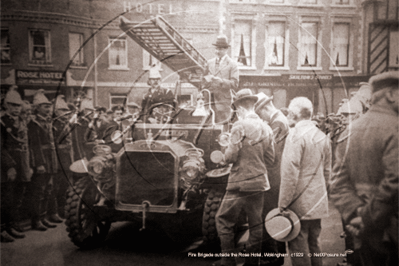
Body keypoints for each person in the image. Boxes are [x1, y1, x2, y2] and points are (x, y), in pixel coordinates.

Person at [330, 71, 398, 266]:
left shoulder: (350, 131)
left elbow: (337, 182)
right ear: (391, 95)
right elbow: (395, 182)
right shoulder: (395, 128)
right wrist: (367, 218)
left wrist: (356, 216)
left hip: (363, 234)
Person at [215, 89, 275, 266]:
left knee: (223, 220)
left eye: (236, 110)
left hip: (239, 184)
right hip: (259, 183)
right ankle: (252, 263)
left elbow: (231, 156)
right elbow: (271, 159)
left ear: (240, 108)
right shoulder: (267, 127)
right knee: (256, 225)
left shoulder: (239, 126)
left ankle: (228, 261)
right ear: (252, 106)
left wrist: (223, 157)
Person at [279, 97, 331, 266]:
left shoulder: (295, 136)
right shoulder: (322, 136)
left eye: (288, 112)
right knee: (314, 243)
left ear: (294, 114)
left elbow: (289, 174)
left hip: (298, 203)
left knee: (298, 247)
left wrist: (283, 204)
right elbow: (327, 172)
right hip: (317, 200)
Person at [254, 92, 289, 266]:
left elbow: (271, 153)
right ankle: (277, 255)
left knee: (269, 215)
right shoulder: (279, 120)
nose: (261, 117)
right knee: (273, 215)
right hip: (277, 176)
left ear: (266, 108)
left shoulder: (278, 123)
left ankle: (273, 257)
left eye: (260, 113)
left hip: (274, 177)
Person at [1, 87, 31, 242]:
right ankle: (2, 229)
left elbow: (26, 144)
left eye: (18, 106)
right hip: (6, 166)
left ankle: (11, 225)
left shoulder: (21, 121)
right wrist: (10, 166)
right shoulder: (2, 122)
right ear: (6, 105)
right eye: (13, 105)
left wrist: (28, 165)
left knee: (17, 197)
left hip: (21, 162)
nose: (16, 109)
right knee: (5, 198)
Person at [27, 89, 58, 231]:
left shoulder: (48, 121)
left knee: (48, 190)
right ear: (38, 108)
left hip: (50, 160)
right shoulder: (34, 123)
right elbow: (35, 146)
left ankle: (44, 217)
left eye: (49, 106)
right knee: (38, 192)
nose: (48, 108)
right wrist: (39, 164)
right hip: (42, 161)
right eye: (45, 106)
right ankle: (36, 220)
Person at [203, 35, 239, 123]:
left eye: (220, 49)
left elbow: (235, 84)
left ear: (226, 50)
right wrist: (206, 81)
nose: (217, 51)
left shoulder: (232, 64)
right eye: (216, 49)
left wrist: (221, 82)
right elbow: (203, 80)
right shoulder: (209, 63)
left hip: (223, 104)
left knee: (223, 128)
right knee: (208, 128)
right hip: (209, 102)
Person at [51, 95, 73, 220]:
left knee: (65, 186)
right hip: (59, 161)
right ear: (56, 111)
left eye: (66, 110)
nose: (65, 113)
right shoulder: (55, 125)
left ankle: (63, 209)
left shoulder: (65, 124)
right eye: (62, 110)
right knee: (57, 188)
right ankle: (57, 211)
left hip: (67, 160)